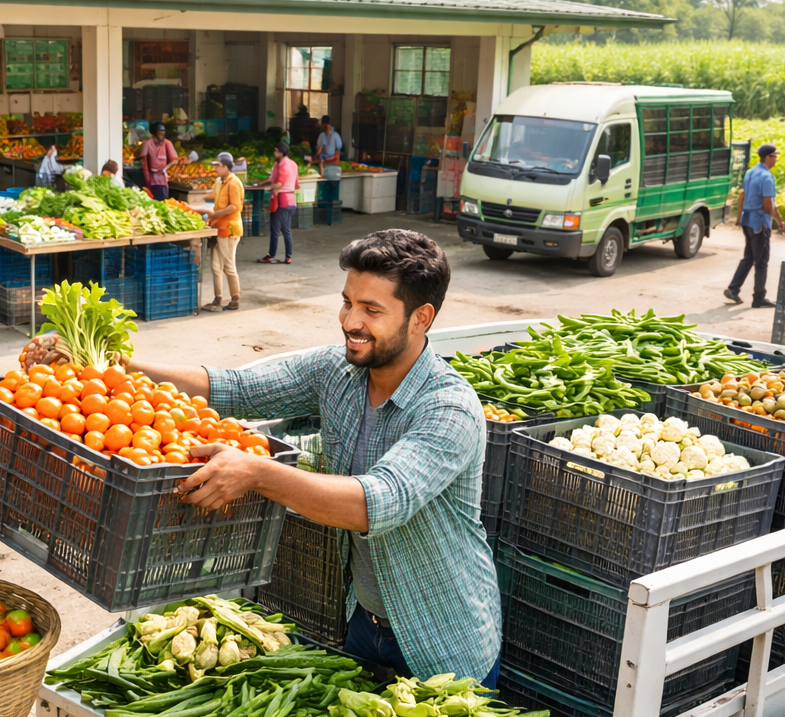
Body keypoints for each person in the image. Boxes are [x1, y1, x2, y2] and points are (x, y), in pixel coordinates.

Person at [120, 229, 501, 684]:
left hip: (445, 640)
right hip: (363, 622)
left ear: (420, 318)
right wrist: (118, 366)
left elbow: (376, 502)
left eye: (372, 310)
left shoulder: (449, 408)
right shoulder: (336, 371)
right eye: (348, 302)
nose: (350, 321)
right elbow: (237, 388)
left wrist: (257, 472)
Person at [725, 143, 784, 308]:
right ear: (769, 157)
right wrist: (777, 219)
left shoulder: (750, 172)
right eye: (775, 156)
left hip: (747, 220)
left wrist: (739, 218)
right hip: (760, 223)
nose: (776, 159)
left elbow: (742, 196)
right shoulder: (766, 177)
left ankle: (733, 289)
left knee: (749, 256)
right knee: (762, 261)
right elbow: (768, 204)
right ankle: (759, 297)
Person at [201, 151, 243, 312]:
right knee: (215, 266)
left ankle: (235, 299)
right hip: (219, 227)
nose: (215, 169)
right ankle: (217, 298)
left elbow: (235, 207)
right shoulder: (220, 181)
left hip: (230, 229)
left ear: (226, 166)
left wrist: (214, 214)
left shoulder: (234, 183)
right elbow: (214, 197)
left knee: (228, 266)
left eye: (218, 166)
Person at [259, 140, 298, 264]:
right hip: (290, 199)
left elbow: (278, 184)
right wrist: (261, 183)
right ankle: (278, 255)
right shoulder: (293, 164)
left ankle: (285, 256)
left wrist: (269, 187)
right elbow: (296, 184)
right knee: (278, 229)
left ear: (281, 152)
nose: (274, 153)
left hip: (282, 200)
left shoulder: (284, 165)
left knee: (282, 229)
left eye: (276, 151)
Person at [139, 122, 177, 201]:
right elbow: (144, 162)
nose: (161, 136)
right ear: (154, 133)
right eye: (159, 133)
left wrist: (166, 168)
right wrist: (147, 180)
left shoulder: (167, 143)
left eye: (163, 133)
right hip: (152, 179)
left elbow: (175, 160)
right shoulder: (147, 143)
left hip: (163, 179)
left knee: (164, 199)